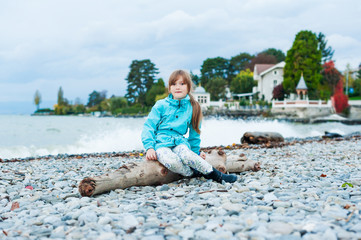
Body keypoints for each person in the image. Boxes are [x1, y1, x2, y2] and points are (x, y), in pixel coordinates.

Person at [141, 70, 237, 183]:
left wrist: (195, 153)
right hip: (160, 144)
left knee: (187, 155)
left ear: (188, 87)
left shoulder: (193, 107)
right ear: (169, 88)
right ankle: (192, 173)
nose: (178, 87)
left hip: (179, 142)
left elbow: (194, 134)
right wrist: (149, 147)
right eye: (174, 84)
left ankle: (217, 176)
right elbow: (149, 126)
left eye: (182, 84)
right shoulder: (161, 105)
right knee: (172, 161)